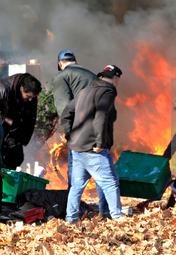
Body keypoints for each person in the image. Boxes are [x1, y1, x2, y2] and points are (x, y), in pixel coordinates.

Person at [61, 64, 124, 223]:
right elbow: (100, 117)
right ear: (116, 79)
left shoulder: (84, 91)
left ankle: (71, 219)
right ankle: (118, 219)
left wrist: (70, 136)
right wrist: (100, 143)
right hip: (93, 149)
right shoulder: (107, 92)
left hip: (77, 148)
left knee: (76, 187)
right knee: (110, 183)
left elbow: (66, 113)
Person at [53, 50, 97, 189]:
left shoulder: (62, 76)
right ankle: (104, 208)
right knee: (99, 170)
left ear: (60, 64)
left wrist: (68, 133)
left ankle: (73, 207)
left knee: (75, 171)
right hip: (97, 128)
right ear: (75, 61)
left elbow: (64, 108)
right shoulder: (92, 75)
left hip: (79, 129)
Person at [0, 73, 42, 170]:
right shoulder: (1, 88)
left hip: (13, 131)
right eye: (28, 96)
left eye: (33, 97)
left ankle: (6, 182)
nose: (30, 99)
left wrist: (22, 139)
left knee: (17, 158)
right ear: (21, 88)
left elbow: (30, 119)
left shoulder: (30, 96)